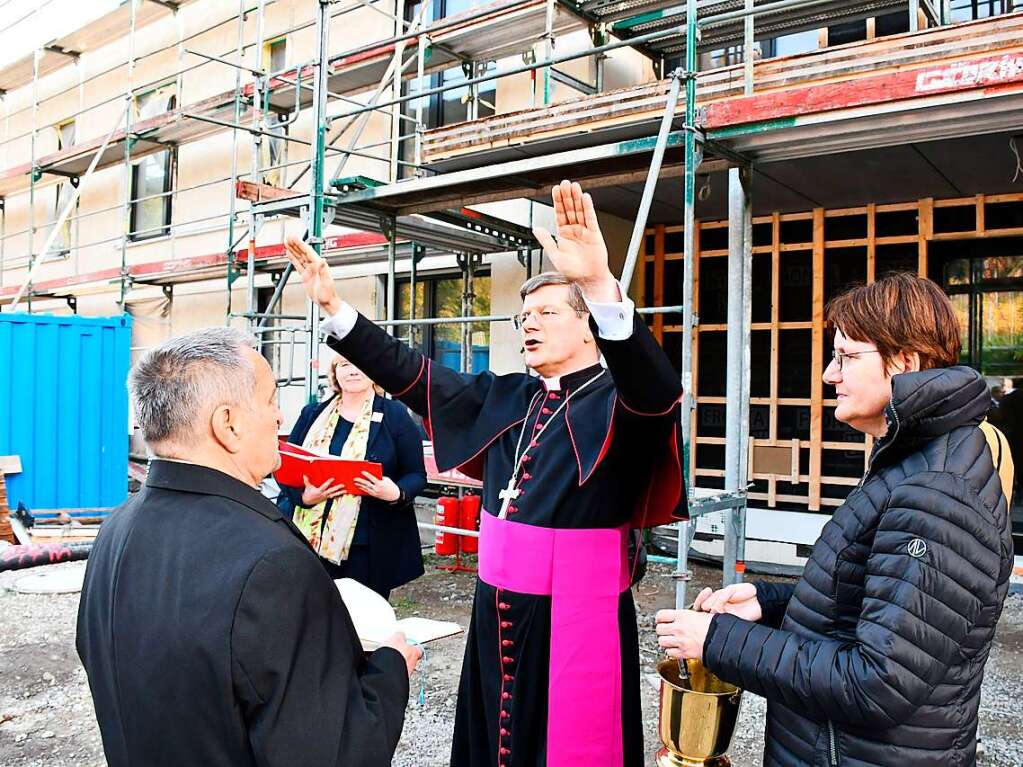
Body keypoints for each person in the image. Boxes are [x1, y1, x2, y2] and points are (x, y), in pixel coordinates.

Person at [285, 179, 687, 767]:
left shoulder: (621, 401)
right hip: (495, 606)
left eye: (547, 312)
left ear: (587, 327)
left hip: (573, 615)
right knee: (492, 736)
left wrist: (600, 284)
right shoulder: (509, 396)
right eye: (524, 314)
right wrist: (334, 309)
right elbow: (410, 373)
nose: (530, 323)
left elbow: (656, 392)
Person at [655, 273, 1014, 767]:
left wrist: (718, 641)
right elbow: (871, 599)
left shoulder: (936, 490)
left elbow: (878, 681)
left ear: (905, 362)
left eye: (846, 357)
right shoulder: (915, 458)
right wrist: (768, 601)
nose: (828, 374)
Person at [76, 327, 421, 767]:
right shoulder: (273, 564)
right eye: (272, 398)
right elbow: (334, 751)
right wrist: (390, 668)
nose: (280, 419)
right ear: (229, 424)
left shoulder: (114, 530)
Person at [277, 354, 427, 599]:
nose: (353, 371)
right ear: (335, 373)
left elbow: (417, 474)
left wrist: (395, 493)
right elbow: (285, 465)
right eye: (345, 365)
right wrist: (305, 496)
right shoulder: (312, 414)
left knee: (364, 621)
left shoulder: (395, 415)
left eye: (360, 364)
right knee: (315, 613)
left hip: (369, 545)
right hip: (312, 540)